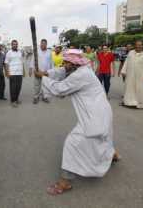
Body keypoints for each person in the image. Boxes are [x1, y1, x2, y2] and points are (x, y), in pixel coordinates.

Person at [34, 49, 119, 195]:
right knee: (103, 136)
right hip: (102, 111)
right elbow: (62, 71)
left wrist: (43, 78)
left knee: (72, 143)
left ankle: (65, 182)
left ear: (73, 63)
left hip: (94, 115)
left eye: (66, 62)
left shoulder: (81, 75)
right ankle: (112, 155)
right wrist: (47, 73)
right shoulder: (81, 68)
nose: (64, 65)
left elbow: (59, 89)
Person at [121, 41, 143, 109]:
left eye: (140, 45)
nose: (138, 46)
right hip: (130, 75)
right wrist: (123, 71)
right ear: (135, 45)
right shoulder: (131, 52)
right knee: (130, 89)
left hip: (141, 76)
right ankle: (128, 102)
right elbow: (126, 62)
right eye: (137, 45)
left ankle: (138, 103)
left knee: (140, 89)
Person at [29, 39, 53, 104]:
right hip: (38, 71)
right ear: (40, 44)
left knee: (45, 85)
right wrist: (30, 69)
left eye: (44, 44)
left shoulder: (49, 52)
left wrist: (52, 71)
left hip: (46, 72)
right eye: (42, 43)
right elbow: (32, 60)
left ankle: (44, 97)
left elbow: (51, 62)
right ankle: (36, 97)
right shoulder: (36, 51)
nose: (43, 45)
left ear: (46, 44)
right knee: (37, 85)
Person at [5, 40, 25, 107]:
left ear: (17, 45)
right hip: (12, 73)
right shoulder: (9, 53)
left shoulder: (20, 52)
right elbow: (6, 63)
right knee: (13, 88)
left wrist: (24, 71)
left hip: (19, 73)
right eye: (13, 44)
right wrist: (7, 73)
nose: (15, 45)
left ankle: (16, 99)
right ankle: (13, 101)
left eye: (16, 44)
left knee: (18, 87)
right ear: (11, 45)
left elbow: (22, 62)